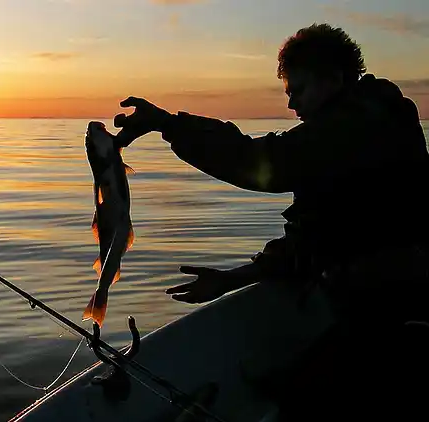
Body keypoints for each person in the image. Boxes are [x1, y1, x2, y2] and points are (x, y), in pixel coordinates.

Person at [113, 23, 429, 420]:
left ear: (333, 79)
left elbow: (264, 164)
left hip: (395, 308)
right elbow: (319, 236)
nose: (292, 105)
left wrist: (168, 124)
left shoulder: (359, 127)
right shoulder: (360, 124)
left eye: (298, 90)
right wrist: (235, 278)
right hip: (368, 300)